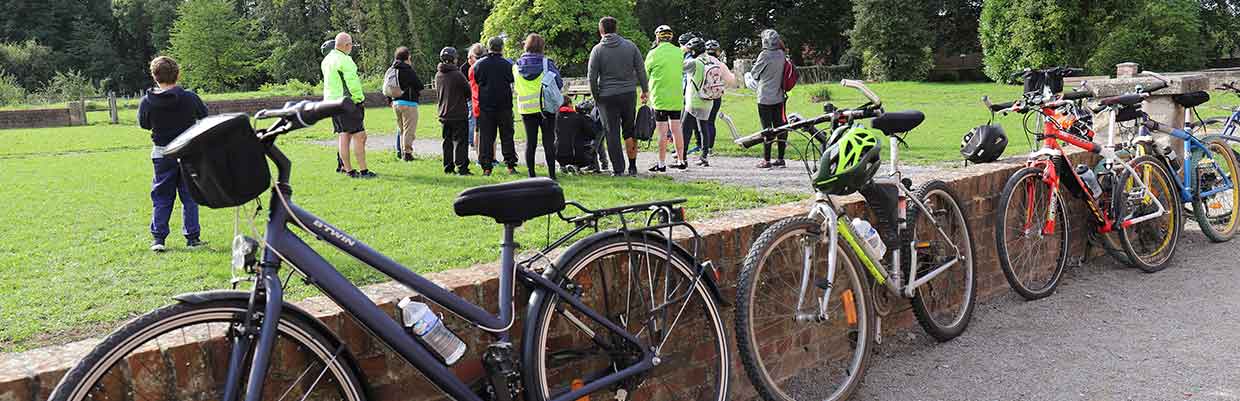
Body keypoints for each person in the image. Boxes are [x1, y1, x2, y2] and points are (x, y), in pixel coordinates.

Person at [137, 56, 207, 252]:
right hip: (189, 153)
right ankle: (192, 238)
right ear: (178, 74)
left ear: (154, 76)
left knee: (161, 197)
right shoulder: (190, 98)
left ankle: (158, 239)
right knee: (190, 196)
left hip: (161, 154)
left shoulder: (147, 102)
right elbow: (204, 117)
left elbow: (144, 124)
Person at [587, 16, 649, 177]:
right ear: (616, 29)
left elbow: (592, 77)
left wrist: (596, 96)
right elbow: (641, 70)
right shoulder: (630, 46)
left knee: (611, 133)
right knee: (629, 130)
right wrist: (645, 90)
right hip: (628, 94)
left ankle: (618, 169)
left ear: (601, 31)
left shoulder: (597, 50)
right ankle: (633, 166)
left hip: (606, 97)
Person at [322, 32, 374, 178]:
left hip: (331, 103)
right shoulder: (345, 60)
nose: (351, 47)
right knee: (360, 136)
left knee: (343, 135)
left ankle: (348, 169)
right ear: (346, 45)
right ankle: (364, 170)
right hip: (347, 103)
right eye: (351, 44)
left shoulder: (327, 60)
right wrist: (359, 99)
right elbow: (352, 83)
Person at [514, 33, 564, 180]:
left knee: (531, 142)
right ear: (542, 46)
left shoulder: (516, 66)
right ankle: (552, 175)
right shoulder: (547, 63)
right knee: (548, 140)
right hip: (545, 108)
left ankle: (531, 175)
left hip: (526, 109)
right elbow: (559, 83)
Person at [473, 36, 519, 176]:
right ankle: (510, 165)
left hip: (486, 106)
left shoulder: (479, 64)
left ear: (488, 47)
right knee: (507, 135)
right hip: (504, 105)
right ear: (502, 48)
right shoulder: (507, 64)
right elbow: (512, 79)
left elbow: (477, 78)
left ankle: (486, 167)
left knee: (486, 137)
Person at [645, 25, 687, 172]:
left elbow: (646, 73)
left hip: (660, 97)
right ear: (671, 37)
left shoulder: (653, 54)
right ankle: (681, 161)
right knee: (677, 129)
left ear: (657, 37)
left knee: (662, 132)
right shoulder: (679, 52)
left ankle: (661, 163)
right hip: (676, 97)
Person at [747, 29, 789, 169]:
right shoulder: (782, 54)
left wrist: (748, 75)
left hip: (764, 97)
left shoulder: (764, 55)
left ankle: (766, 160)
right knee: (781, 127)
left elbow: (754, 73)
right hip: (779, 96)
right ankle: (781, 159)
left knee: (767, 129)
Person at [694, 39, 734, 166]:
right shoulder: (720, 64)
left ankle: (701, 147)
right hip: (716, 96)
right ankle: (709, 148)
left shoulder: (701, 61)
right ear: (718, 51)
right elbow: (731, 80)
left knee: (700, 122)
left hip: (702, 95)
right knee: (711, 122)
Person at [436, 47, 472, 175]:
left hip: (444, 113)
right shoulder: (457, 74)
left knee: (447, 141)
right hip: (458, 113)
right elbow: (468, 91)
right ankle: (462, 167)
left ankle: (448, 167)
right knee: (461, 142)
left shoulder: (438, 74)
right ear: (454, 59)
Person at [389, 46, 425, 162]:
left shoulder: (392, 69)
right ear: (407, 58)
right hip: (408, 103)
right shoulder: (407, 70)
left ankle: (400, 151)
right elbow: (419, 85)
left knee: (401, 129)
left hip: (395, 102)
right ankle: (407, 153)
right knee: (409, 130)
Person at [677, 32, 701, 157]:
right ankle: (698, 145)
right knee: (694, 121)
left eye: (682, 45)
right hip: (689, 91)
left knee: (687, 123)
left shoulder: (691, 59)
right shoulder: (688, 56)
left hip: (691, 93)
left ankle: (682, 153)